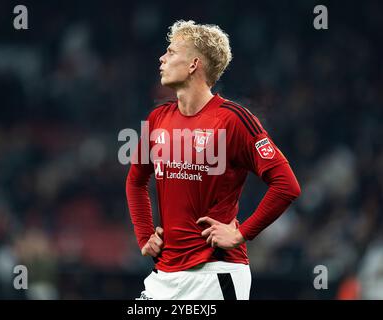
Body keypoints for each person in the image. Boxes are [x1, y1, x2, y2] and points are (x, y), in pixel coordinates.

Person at [126, 20, 301, 300]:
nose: (162, 58)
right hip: (164, 275)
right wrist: (145, 235)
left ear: (194, 64)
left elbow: (286, 185)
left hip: (215, 273)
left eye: (171, 52)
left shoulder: (234, 119)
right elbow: (135, 181)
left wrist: (242, 233)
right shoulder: (158, 118)